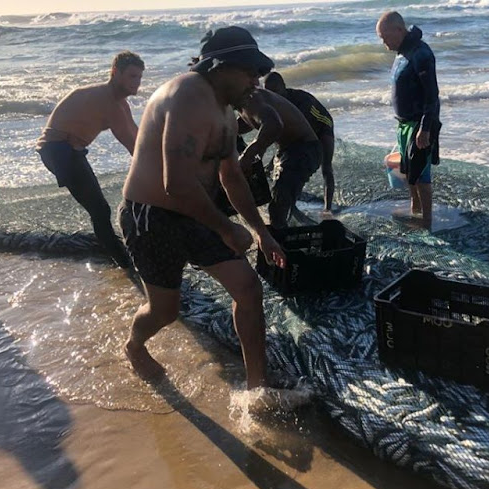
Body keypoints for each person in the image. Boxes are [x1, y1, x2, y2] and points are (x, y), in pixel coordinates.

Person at [118, 27, 286, 388]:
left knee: (248, 288)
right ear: (220, 67)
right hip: (151, 216)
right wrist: (227, 228)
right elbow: (175, 183)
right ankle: (133, 345)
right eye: (249, 72)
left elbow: (232, 177)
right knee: (164, 312)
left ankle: (257, 388)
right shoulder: (188, 94)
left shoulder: (225, 111)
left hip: (196, 211)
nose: (256, 81)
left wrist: (261, 231)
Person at [36, 51, 145, 267]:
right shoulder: (108, 102)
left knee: (98, 209)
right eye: (133, 76)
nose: (138, 83)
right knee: (100, 209)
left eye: (140, 77)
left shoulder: (119, 102)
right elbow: (131, 145)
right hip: (58, 151)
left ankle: (113, 249)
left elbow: (138, 134)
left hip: (71, 150)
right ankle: (125, 262)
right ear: (115, 73)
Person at [376, 11, 440, 230]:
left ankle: (427, 221)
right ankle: (415, 208)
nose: (383, 43)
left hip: (419, 124)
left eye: (385, 37)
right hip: (404, 124)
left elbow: (432, 95)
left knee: (421, 174)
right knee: (409, 171)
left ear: (399, 30)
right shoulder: (402, 51)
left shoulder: (421, 54)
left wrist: (425, 128)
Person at [236, 84, 322, 229]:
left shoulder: (251, 98)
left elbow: (274, 125)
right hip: (287, 151)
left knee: (278, 206)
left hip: (303, 150)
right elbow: (249, 121)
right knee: (280, 200)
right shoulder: (241, 103)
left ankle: (280, 246)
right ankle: (290, 226)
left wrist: (247, 155)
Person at [263, 71, 336, 214]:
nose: (273, 96)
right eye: (268, 92)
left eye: (276, 91)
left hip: (322, 126)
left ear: (284, 87)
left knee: (326, 167)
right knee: (274, 166)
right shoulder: (270, 101)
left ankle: (328, 209)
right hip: (300, 131)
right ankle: (284, 200)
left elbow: (298, 137)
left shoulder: (302, 101)